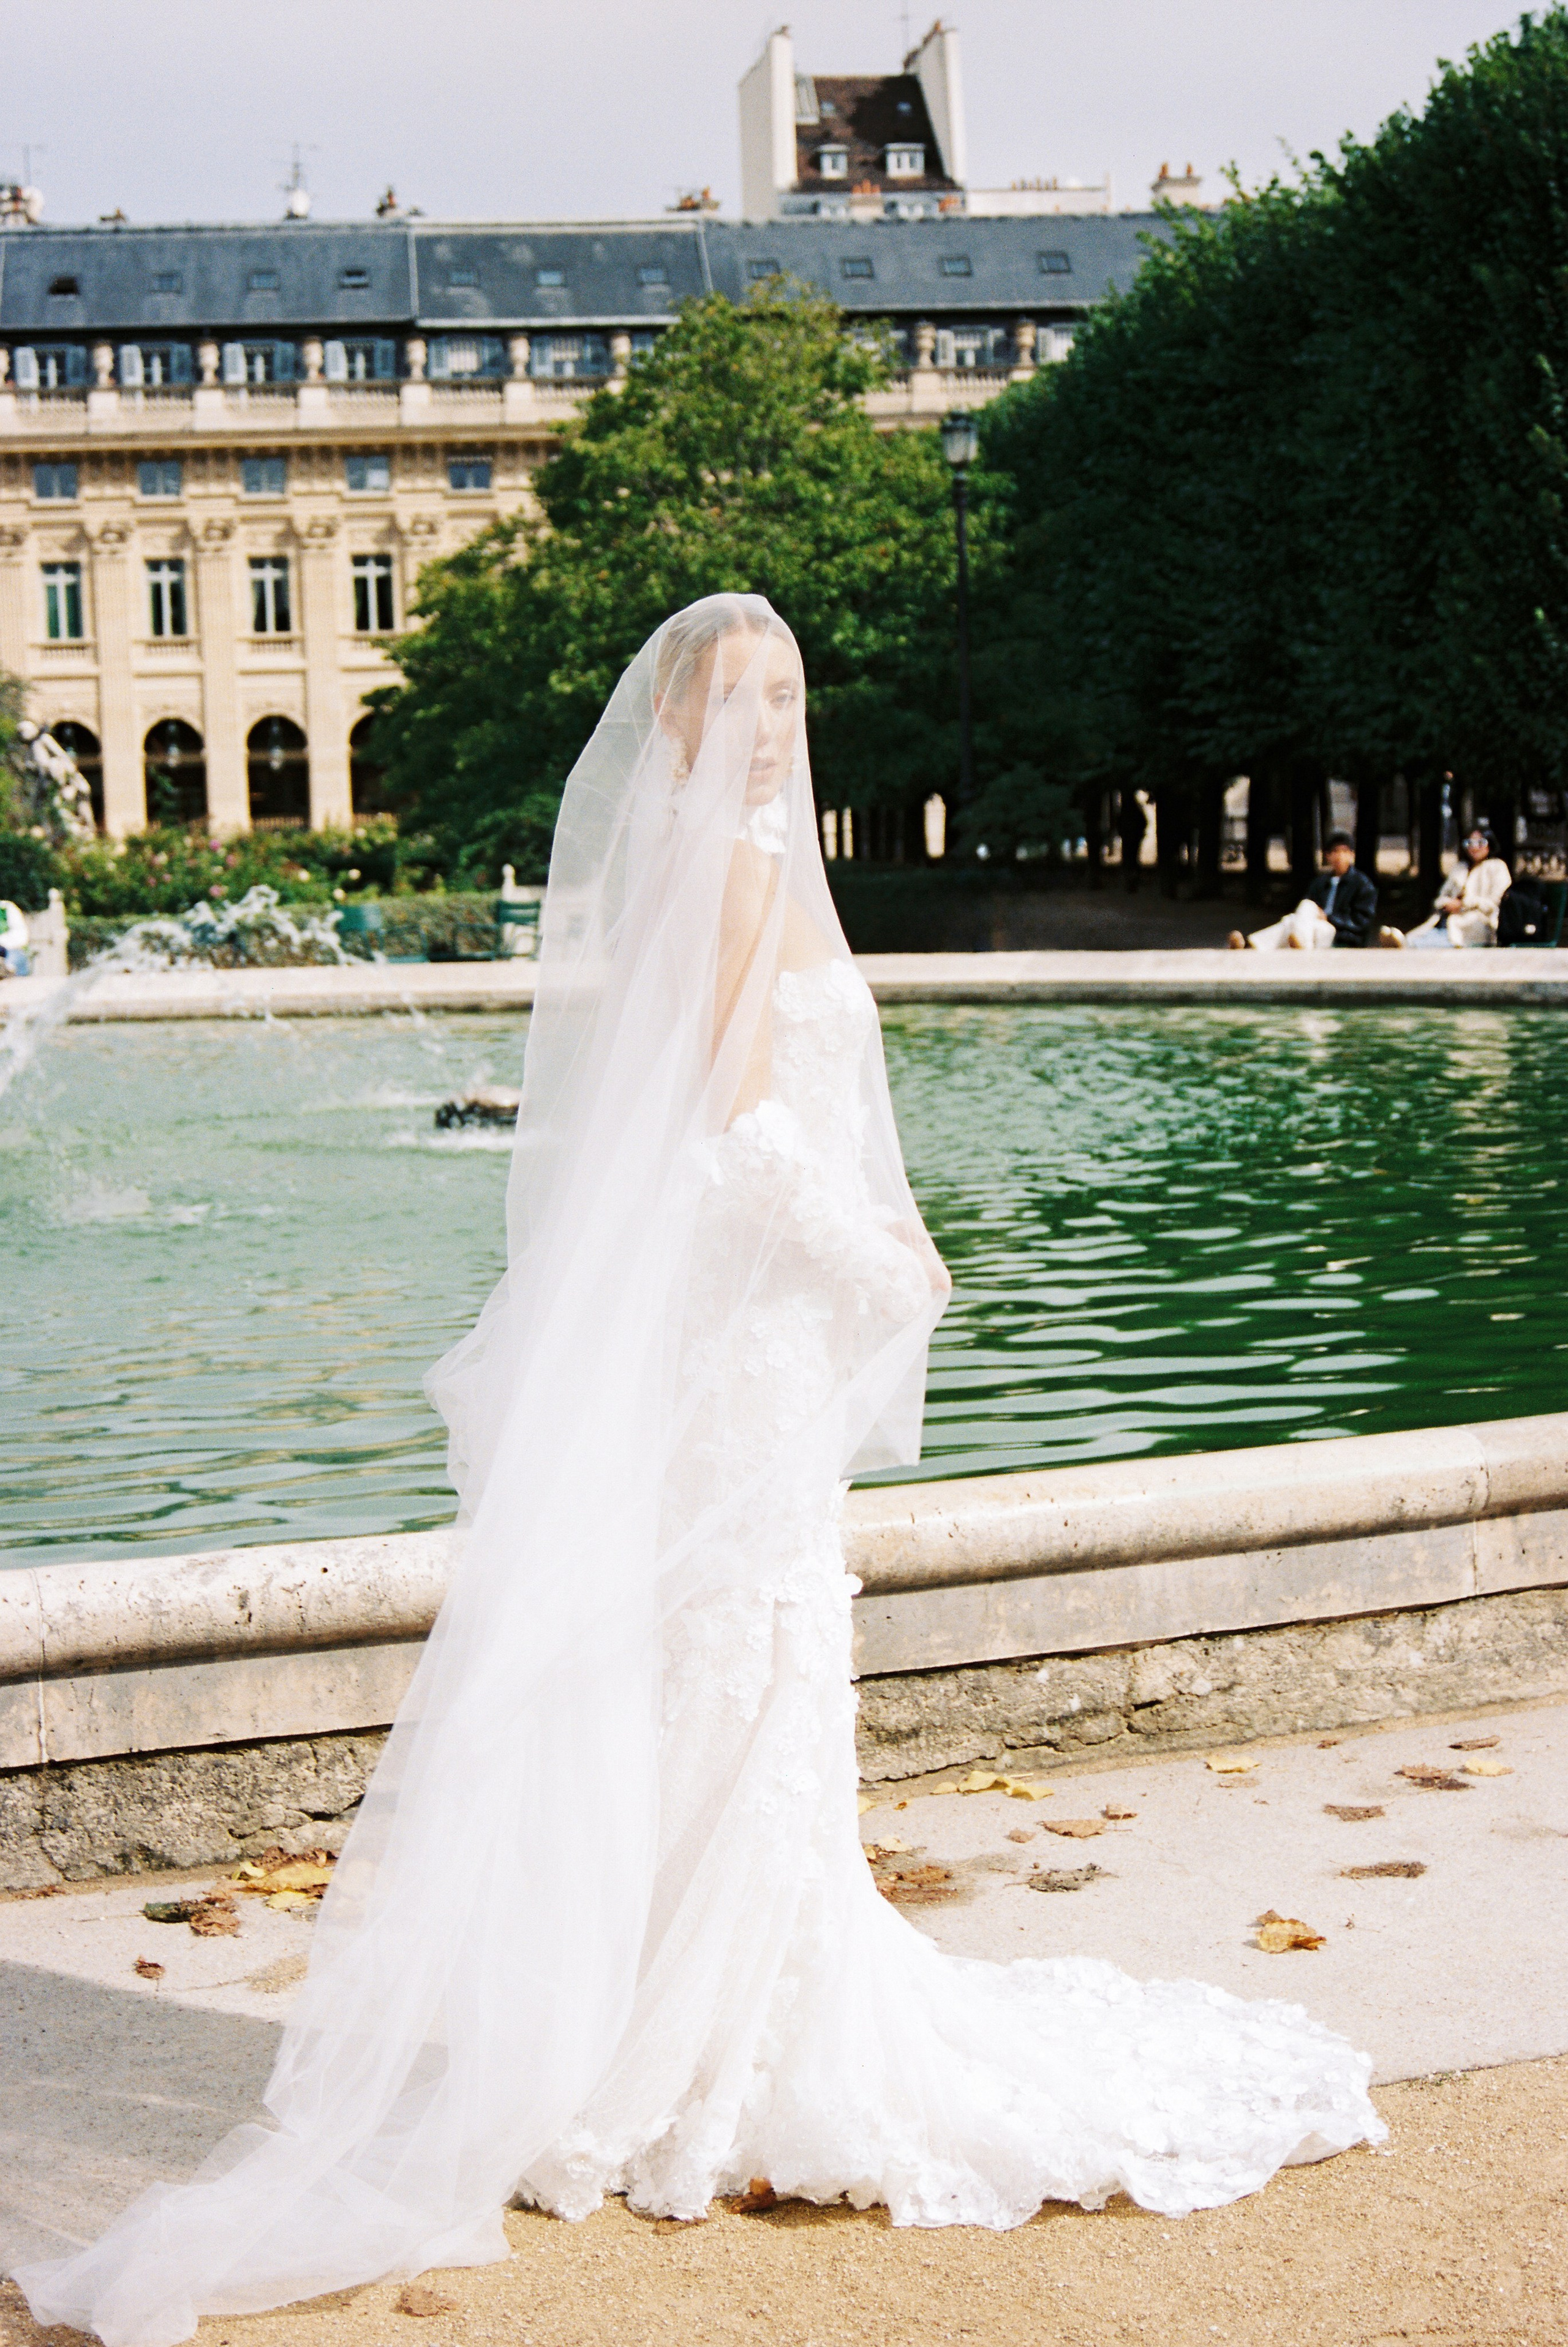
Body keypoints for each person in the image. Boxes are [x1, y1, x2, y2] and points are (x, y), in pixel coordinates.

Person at [19, 599, 1383, 2347]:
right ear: (677, 722)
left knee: (745, 1657)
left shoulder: (723, 874)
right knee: (745, 1650)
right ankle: (707, 2034)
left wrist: (859, 1244)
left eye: (786, 691)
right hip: (752, 1335)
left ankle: (681, 2002)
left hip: (746, 1340)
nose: (766, 721)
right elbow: (735, 1143)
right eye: (736, 695)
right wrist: (897, 1261)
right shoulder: (739, 877)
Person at [1227, 831, 1377, 951]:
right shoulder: (1321, 883)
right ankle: (1295, 940)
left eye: (1345, 852)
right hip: (1312, 928)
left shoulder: (1362, 884)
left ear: (1352, 855)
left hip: (1338, 933)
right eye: (1335, 852)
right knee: (1305, 907)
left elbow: (1361, 921)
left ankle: (1251, 944)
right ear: (1328, 856)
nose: (1340, 856)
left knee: (1292, 921)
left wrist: (1328, 917)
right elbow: (1304, 914)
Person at [1381, 823, 1510, 948]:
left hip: (1477, 923)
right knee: (1425, 935)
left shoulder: (1497, 867)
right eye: (1469, 843)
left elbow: (1496, 903)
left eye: (1481, 843)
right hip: (1448, 920)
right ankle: (1405, 941)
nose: (1474, 847)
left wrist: (1463, 904)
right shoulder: (1461, 868)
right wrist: (1446, 903)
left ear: (1490, 844)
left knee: (1442, 939)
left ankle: (1404, 944)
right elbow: (1442, 896)